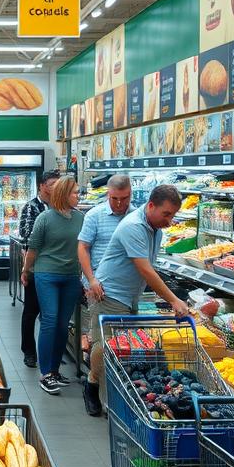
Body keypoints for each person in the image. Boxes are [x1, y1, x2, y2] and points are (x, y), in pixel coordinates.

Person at [88, 185, 188, 403]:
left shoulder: (155, 228)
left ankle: (111, 394)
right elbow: (145, 269)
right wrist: (173, 299)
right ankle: (102, 397)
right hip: (109, 294)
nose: (170, 220)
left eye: (173, 214)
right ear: (151, 205)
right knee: (107, 348)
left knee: (123, 349)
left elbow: (148, 267)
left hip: (130, 296)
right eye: (167, 214)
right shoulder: (133, 226)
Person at [21, 177, 84, 395]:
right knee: (49, 319)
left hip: (71, 276)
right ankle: (46, 373)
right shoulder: (45, 218)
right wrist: (25, 270)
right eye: (75, 192)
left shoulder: (81, 218)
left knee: (62, 324)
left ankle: (55, 370)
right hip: (46, 274)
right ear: (64, 194)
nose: (78, 196)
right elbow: (33, 249)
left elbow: (84, 250)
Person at [77, 174, 133, 416]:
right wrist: (91, 279)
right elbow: (83, 248)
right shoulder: (95, 215)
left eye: (125, 198)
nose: (119, 204)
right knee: (103, 342)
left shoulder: (137, 216)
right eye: (114, 198)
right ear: (107, 194)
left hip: (129, 290)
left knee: (124, 344)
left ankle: (118, 391)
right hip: (100, 289)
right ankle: (92, 384)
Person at [17, 169, 61, 368]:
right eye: (53, 184)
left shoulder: (61, 207)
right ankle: (28, 351)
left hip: (57, 269)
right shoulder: (31, 207)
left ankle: (49, 352)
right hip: (35, 268)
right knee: (31, 311)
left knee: (50, 314)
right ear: (42, 186)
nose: (56, 188)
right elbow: (27, 237)